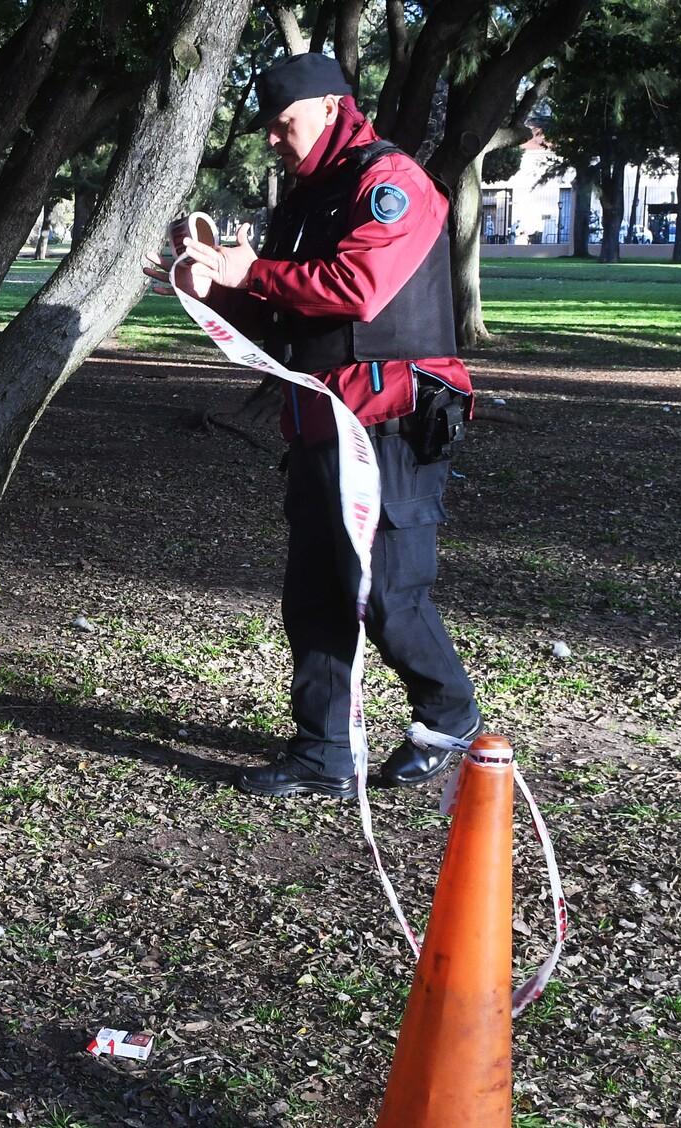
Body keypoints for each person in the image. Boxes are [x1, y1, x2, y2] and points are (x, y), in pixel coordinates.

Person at [143, 54, 481, 799]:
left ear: (332, 106)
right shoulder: (304, 198)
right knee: (316, 594)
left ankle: (450, 714)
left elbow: (357, 289)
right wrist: (208, 289)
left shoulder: (390, 184)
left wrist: (246, 272)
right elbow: (276, 316)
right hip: (318, 424)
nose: (271, 138)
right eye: (266, 126)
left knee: (390, 594)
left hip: (390, 422)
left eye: (282, 122)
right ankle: (324, 750)